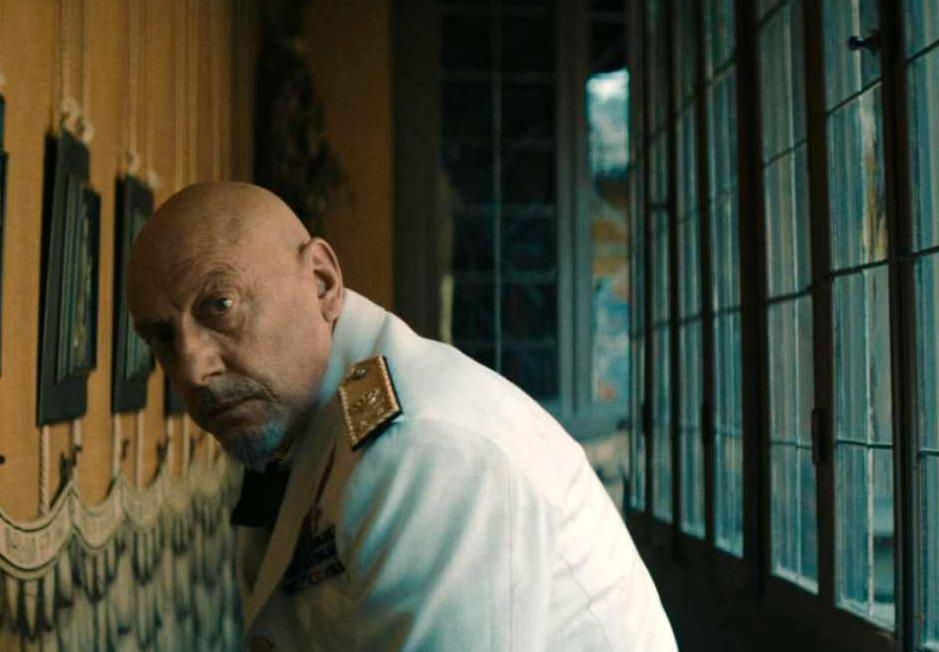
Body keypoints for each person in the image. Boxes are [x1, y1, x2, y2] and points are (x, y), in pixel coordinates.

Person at [126, 181, 677, 651]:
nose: (192, 369)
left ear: (322, 282)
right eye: (161, 338)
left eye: (220, 307)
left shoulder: (427, 446)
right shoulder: (315, 418)